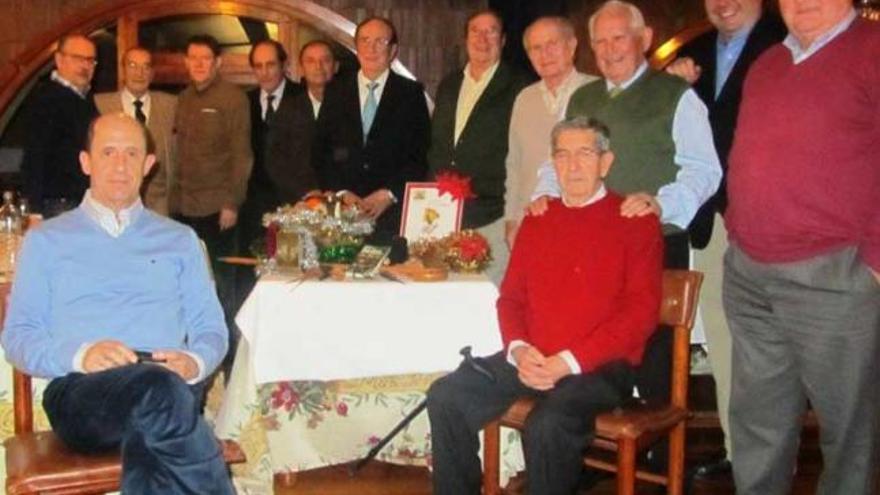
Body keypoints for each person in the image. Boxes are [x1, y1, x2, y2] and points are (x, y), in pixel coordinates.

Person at [428, 116, 663, 495]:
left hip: (599, 366)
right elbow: (512, 298)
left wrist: (566, 362)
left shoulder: (635, 221)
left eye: (585, 154)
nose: (572, 166)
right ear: (552, 163)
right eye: (563, 155)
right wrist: (519, 350)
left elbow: (640, 314)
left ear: (606, 162)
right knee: (447, 396)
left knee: (548, 425)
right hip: (532, 356)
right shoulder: (539, 219)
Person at [1, 113, 233, 494]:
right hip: (84, 392)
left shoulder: (180, 240)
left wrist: (195, 362)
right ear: (85, 162)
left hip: (169, 382)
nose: (120, 165)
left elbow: (211, 327)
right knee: (160, 395)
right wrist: (81, 355)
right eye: (108, 152)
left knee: (156, 418)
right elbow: (18, 338)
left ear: (149, 165)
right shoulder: (46, 241)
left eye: (131, 153)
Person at [528, 2, 721, 432]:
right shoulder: (583, 97)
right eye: (600, 41)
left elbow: (704, 170)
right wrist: (541, 199)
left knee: (650, 365)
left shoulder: (675, 96)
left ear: (645, 40)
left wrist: (660, 203)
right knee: (591, 353)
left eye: (619, 38)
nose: (609, 49)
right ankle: (575, 450)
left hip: (652, 244)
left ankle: (658, 470)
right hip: (586, 246)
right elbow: (554, 161)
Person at [724, 1, 879, 493]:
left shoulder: (872, 49)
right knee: (758, 426)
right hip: (749, 270)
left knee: (848, 433)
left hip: (833, 277)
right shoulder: (768, 63)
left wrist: (875, 262)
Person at [664, 0, 786, 478]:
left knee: (778, 346)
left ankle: (775, 454)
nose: (723, 3)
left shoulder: (786, 43)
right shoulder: (694, 51)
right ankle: (742, 454)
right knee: (724, 338)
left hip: (773, 218)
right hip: (713, 222)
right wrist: (670, 86)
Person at [427, 9, 529, 285]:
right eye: (475, 31)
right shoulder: (449, 85)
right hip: (446, 214)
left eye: (491, 31)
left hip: (492, 215)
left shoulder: (521, 85)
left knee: (487, 298)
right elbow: (439, 144)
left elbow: (523, 153)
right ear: (465, 38)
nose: (482, 38)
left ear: (504, 40)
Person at [312, 16, 430, 244]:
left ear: (393, 50)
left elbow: (420, 155)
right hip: (343, 213)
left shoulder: (411, 93)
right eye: (364, 41)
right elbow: (320, 151)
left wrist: (389, 193)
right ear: (356, 48)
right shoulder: (336, 91)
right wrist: (341, 192)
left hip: (390, 213)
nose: (371, 48)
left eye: (380, 41)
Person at [173, 34, 252, 367]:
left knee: (224, 291)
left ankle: (230, 367)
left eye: (206, 58)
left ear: (218, 62)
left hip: (218, 211)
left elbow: (241, 155)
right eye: (193, 58)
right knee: (189, 290)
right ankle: (193, 361)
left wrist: (232, 202)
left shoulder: (233, 98)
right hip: (183, 210)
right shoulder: (183, 99)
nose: (199, 64)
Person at [503, 16, 596, 249]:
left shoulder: (595, 92)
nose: (545, 54)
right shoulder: (524, 99)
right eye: (536, 48)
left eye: (552, 44)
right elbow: (514, 164)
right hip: (531, 220)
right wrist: (511, 219)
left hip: (583, 220)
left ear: (572, 45)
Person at [21, 33, 99, 217]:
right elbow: (34, 156)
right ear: (59, 59)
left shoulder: (85, 100)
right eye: (78, 58)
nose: (84, 66)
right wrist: (34, 212)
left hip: (82, 202)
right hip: (58, 205)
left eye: (90, 60)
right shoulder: (46, 98)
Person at [95, 46, 177, 215]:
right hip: (114, 203)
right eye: (132, 66)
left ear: (152, 73)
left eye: (146, 67)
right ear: (123, 70)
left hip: (160, 205)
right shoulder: (100, 105)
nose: (139, 73)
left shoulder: (171, 105)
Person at [298, 40, 338, 119]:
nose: (318, 66)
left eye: (325, 60)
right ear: (301, 69)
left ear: (336, 67)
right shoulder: (287, 109)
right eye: (311, 61)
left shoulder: (352, 103)